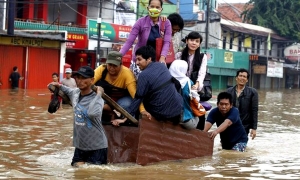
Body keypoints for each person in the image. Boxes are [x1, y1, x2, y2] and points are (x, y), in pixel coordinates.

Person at [49, 66, 108, 167]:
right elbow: (67, 89)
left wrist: (99, 94)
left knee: (93, 175)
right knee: (77, 172)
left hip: (97, 147)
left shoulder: (97, 98)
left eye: (83, 78)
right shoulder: (75, 93)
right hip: (80, 146)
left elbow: (93, 113)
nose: (80, 81)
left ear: (92, 80)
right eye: (78, 77)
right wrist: (57, 85)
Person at [123, 45, 183, 124]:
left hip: (161, 114)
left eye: (139, 59)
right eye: (136, 59)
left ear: (149, 59)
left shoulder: (144, 75)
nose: (137, 63)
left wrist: (125, 117)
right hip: (178, 109)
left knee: (140, 102)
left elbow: (138, 98)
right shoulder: (162, 66)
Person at [119, 0, 172, 77]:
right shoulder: (140, 22)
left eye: (157, 7)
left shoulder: (166, 23)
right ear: (148, 8)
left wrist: (163, 57)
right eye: (152, 6)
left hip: (157, 61)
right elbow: (129, 41)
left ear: (161, 9)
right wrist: (118, 56)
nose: (154, 9)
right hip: (140, 61)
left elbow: (167, 42)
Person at [94, 51, 147, 125]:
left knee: (127, 105)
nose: (112, 68)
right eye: (110, 65)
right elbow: (90, 81)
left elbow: (135, 95)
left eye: (115, 66)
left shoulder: (127, 74)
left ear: (121, 65)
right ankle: (108, 115)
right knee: (94, 102)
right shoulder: (101, 69)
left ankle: (125, 122)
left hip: (121, 99)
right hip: (107, 97)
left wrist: (142, 110)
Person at [176, 31, 209, 130]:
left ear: (199, 44)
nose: (194, 43)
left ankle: (198, 136)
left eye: (197, 41)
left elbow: (202, 72)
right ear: (187, 41)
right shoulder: (179, 55)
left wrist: (197, 84)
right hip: (181, 87)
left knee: (199, 112)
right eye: (191, 40)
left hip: (195, 89)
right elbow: (176, 72)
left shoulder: (202, 57)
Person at [227, 68, 258, 140]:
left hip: (244, 125)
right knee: (226, 147)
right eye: (240, 76)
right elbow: (224, 109)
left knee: (240, 146)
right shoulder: (229, 91)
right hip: (229, 124)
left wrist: (254, 128)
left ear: (247, 80)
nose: (242, 78)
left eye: (244, 77)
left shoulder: (253, 92)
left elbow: (254, 110)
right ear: (236, 78)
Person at [169, 60, 200, 129]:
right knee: (197, 119)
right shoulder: (188, 82)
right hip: (184, 119)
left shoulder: (166, 79)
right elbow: (196, 100)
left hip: (167, 116)